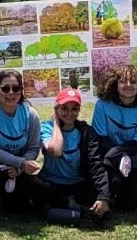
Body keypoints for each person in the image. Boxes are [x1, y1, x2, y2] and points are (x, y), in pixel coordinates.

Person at [29, 88, 110, 220]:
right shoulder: (47, 127)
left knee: (103, 187)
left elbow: (96, 164)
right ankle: (75, 208)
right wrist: (56, 122)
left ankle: (60, 210)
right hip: (52, 184)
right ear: (56, 108)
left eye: (74, 109)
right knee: (33, 184)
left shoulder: (86, 132)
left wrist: (103, 197)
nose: (69, 113)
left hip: (77, 184)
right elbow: (55, 151)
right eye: (64, 108)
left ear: (79, 110)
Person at [0, 69, 41, 213]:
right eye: (5, 88)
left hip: (18, 165)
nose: (11, 93)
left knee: (18, 208)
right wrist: (21, 163)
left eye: (15, 88)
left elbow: (34, 149)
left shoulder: (31, 115)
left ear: (21, 91)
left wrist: (19, 168)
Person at [91, 66, 137, 211]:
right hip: (106, 158)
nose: (128, 86)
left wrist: (118, 154)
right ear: (115, 84)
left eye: (133, 82)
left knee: (129, 204)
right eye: (123, 81)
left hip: (132, 162)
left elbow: (136, 145)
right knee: (112, 183)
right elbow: (101, 138)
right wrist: (113, 158)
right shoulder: (102, 105)